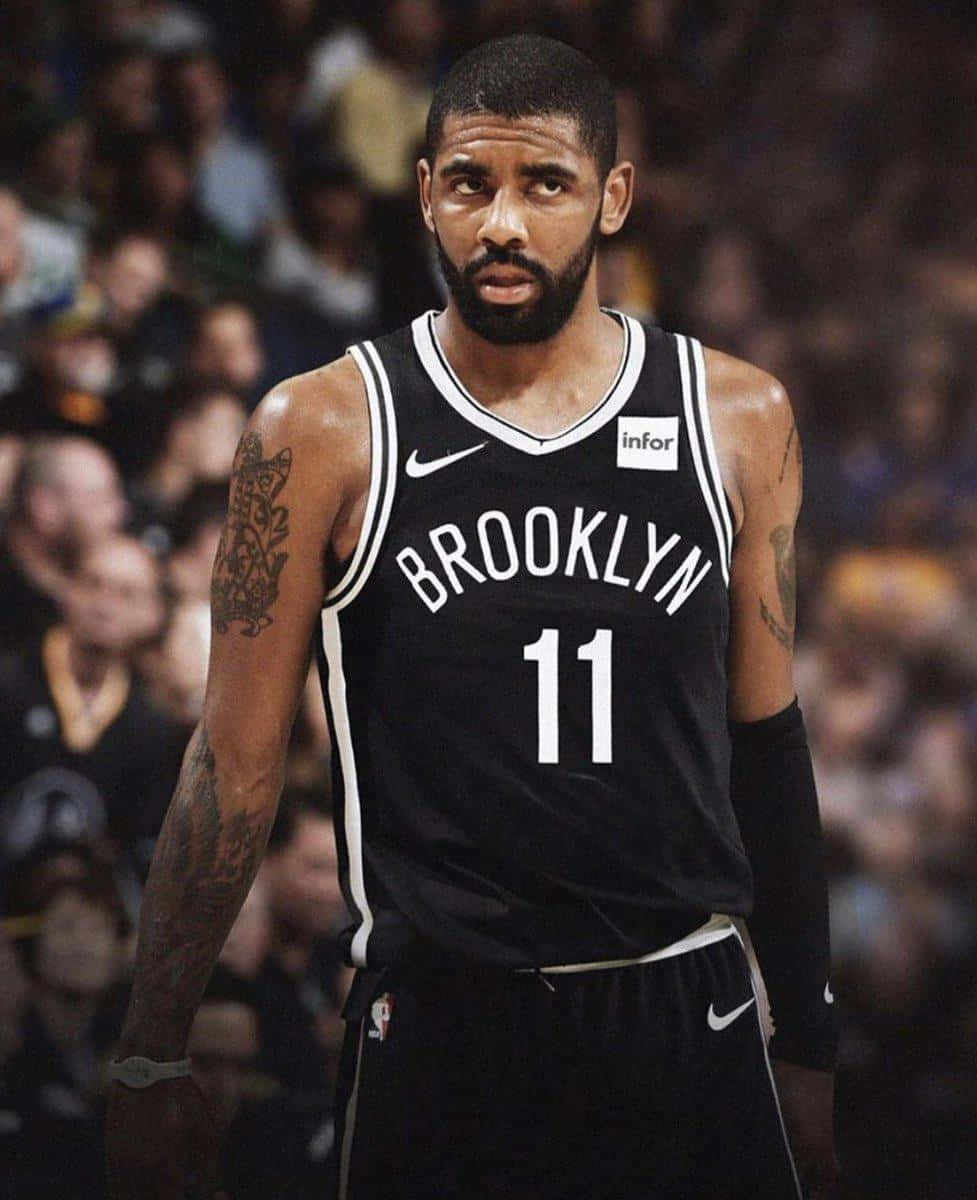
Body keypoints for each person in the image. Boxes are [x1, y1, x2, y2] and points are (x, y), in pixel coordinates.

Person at [106, 34, 839, 1200]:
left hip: (682, 1001)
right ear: (423, 195)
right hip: (439, 1021)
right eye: (468, 183)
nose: (501, 222)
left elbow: (767, 742)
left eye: (543, 184)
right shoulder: (319, 430)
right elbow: (232, 765)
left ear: (611, 197)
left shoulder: (737, 418)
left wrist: (805, 1032)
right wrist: (152, 1047)